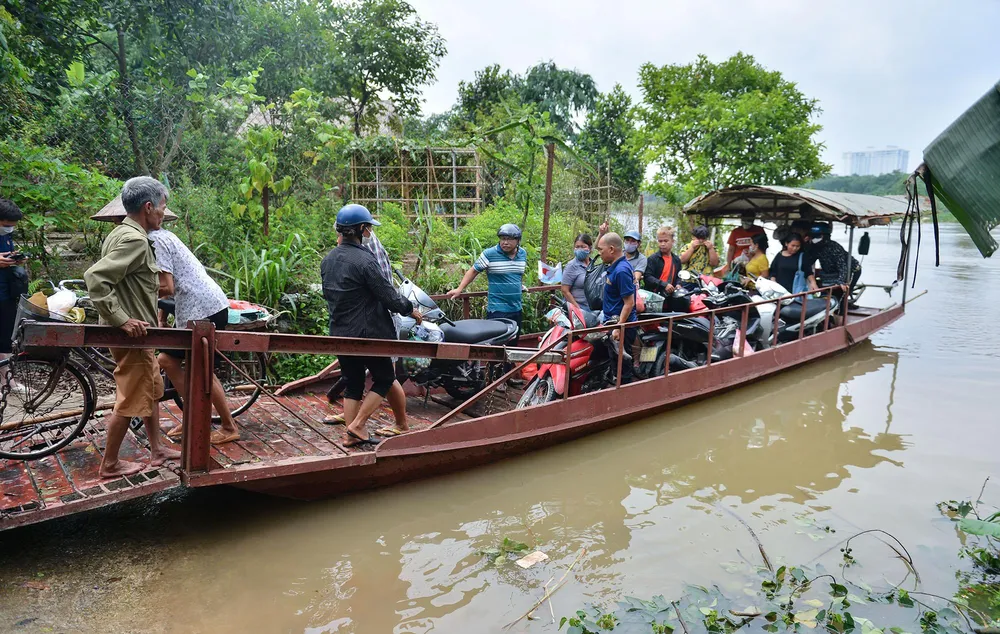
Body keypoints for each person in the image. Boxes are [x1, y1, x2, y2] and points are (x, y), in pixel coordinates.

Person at [84, 177, 181, 477]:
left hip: (141, 335)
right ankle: (110, 463)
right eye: (162, 208)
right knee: (130, 398)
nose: (164, 214)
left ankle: (156, 449)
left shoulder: (122, 233)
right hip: (132, 335)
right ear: (148, 207)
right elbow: (96, 279)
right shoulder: (134, 240)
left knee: (150, 389)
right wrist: (122, 320)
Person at [320, 204, 422, 448]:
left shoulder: (328, 260)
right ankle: (358, 425)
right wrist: (410, 309)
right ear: (361, 230)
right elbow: (388, 296)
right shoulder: (365, 260)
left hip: (340, 331)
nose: (368, 232)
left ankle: (350, 435)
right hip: (369, 333)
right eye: (367, 227)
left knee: (353, 381)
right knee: (385, 377)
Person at [148, 227, 240, 445]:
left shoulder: (154, 240)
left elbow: (166, 286)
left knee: (199, 368)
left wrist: (131, 290)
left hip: (203, 309)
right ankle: (196, 415)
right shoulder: (164, 236)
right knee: (170, 360)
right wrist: (162, 318)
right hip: (201, 306)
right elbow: (172, 278)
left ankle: (228, 427)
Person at [446, 223, 527, 338]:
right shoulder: (490, 254)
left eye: (509, 239)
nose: (505, 242)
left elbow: (516, 274)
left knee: (513, 343)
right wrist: (460, 289)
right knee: (498, 344)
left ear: (518, 241)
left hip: (516, 308)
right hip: (498, 309)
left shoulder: (523, 253)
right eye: (503, 239)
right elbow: (473, 271)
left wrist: (519, 285)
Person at [596, 232, 637, 383]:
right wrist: (601, 233)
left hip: (621, 326)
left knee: (622, 367)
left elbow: (629, 302)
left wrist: (618, 328)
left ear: (611, 249)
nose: (599, 253)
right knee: (615, 363)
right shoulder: (616, 266)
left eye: (601, 250)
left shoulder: (621, 271)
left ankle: (624, 397)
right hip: (612, 322)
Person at [805, 223, 862, 305]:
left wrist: (841, 281)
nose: (814, 239)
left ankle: (845, 303)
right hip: (830, 272)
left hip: (852, 269)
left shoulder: (834, 247)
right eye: (813, 237)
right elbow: (809, 261)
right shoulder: (815, 247)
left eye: (817, 237)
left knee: (844, 291)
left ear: (825, 236)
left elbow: (842, 265)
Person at [0, 199, 27, 359]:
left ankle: (6, 381)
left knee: (5, 338)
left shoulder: (6, 235)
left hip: (6, 293)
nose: (10, 228)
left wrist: (16, 258)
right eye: (6, 224)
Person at [643, 226, 681, 295]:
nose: (663, 244)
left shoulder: (676, 260)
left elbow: (678, 276)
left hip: (670, 296)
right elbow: (647, 277)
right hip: (654, 295)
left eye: (666, 241)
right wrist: (664, 285)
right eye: (660, 241)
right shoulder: (653, 259)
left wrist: (678, 284)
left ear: (672, 241)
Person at [560, 233, 594, 311]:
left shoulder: (592, 264)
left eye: (583, 247)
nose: (580, 249)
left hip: (592, 308)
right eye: (577, 247)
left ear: (590, 248)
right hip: (577, 310)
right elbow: (565, 290)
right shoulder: (571, 266)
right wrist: (578, 310)